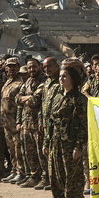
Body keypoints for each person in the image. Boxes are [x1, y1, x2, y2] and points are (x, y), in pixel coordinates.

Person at [45, 66, 88, 198]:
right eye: (61, 76)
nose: (61, 79)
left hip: (70, 142)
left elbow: (84, 125)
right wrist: (46, 142)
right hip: (55, 141)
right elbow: (49, 120)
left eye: (65, 76)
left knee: (73, 175)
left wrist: (79, 146)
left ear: (73, 79)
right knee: (55, 173)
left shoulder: (79, 99)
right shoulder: (57, 96)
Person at [16, 58, 47, 188]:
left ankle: (46, 177)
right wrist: (27, 98)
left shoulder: (44, 80)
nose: (31, 70)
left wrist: (26, 98)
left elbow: (35, 101)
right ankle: (34, 176)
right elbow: (17, 98)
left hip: (38, 123)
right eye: (29, 68)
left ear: (39, 67)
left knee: (42, 153)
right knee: (30, 152)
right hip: (27, 123)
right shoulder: (27, 81)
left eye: (34, 67)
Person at [37, 57, 61, 189]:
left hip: (57, 124)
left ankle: (57, 181)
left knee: (56, 155)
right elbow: (43, 103)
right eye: (45, 67)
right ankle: (50, 180)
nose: (47, 69)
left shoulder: (62, 80)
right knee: (47, 153)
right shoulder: (46, 82)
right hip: (46, 124)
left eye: (49, 66)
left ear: (56, 66)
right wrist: (41, 120)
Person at [0, 57, 24, 183]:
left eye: (14, 66)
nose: (12, 68)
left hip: (15, 121)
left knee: (18, 148)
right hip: (6, 121)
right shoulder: (7, 82)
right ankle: (14, 170)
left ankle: (21, 172)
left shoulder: (20, 82)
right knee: (11, 148)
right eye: (9, 66)